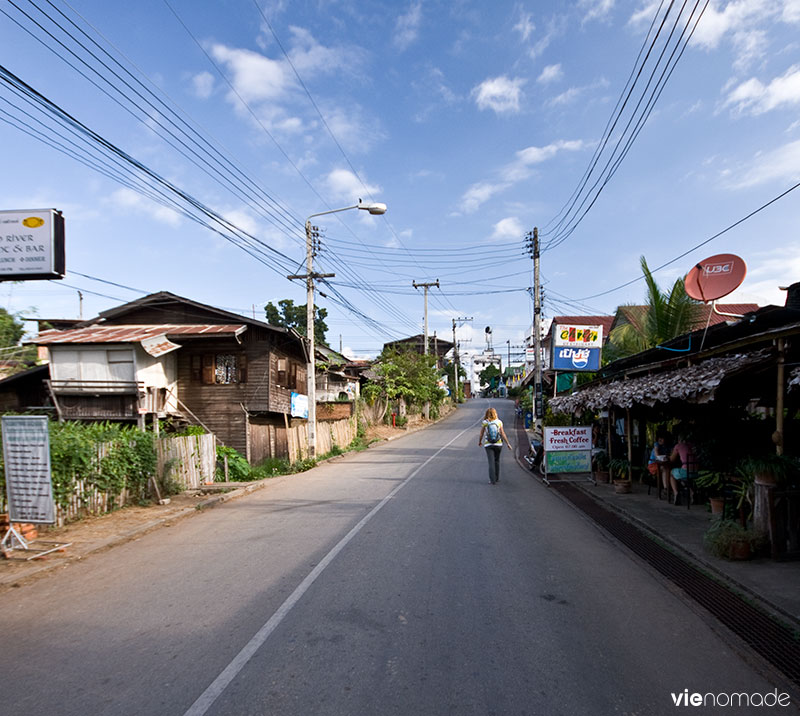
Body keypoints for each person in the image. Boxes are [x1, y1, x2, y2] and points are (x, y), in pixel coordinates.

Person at [478, 407, 512, 484]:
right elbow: (502, 433)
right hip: (498, 444)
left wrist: (480, 441)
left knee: (491, 462)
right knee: (497, 461)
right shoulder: (499, 422)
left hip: (488, 444)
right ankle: (497, 478)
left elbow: (481, 434)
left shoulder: (485, 422)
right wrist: (508, 443)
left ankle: (492, 480)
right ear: (495, 413)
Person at [669, 432, 698, 505]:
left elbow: (672, 459)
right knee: (686, 478)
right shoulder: (692, 445)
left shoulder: (678, 446)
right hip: (696, 473)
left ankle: (676, 493)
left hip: (686, 472)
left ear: (679, 440)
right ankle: (692, 493)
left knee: (672, 473)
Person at [649, 431, 672, 498]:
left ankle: (670, 488)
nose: (660, 440)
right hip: (653, 464)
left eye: (662, 438)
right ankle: (666, 489)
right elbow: (657, 456)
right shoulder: (656, 445)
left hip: (663, 464)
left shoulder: (667, 446)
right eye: (659, 438)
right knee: (664, 469)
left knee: (670, 469)